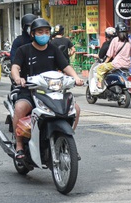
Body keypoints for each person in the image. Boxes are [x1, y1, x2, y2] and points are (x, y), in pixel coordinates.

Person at [10, 18, 84, 160]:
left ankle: (67, 143)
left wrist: (76, 77)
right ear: (32, 34)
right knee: (20, 108)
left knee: (76, 109)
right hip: (30, 91)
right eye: (40, 32)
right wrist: (18, 78)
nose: (43, 34)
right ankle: (19, 146)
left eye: (46, 32)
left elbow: (65, 66)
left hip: (53, 91)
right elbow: (15, 67)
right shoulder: (23, 50)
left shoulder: (53, 49)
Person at [94, 22, 131, 93]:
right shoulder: (129, 41)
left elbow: (109, 55)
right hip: (127, 65)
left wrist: (104, 63)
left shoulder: (115, 40)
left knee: (100, 68)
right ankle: (130, 88)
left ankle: (99, 85)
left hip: (116, 64)